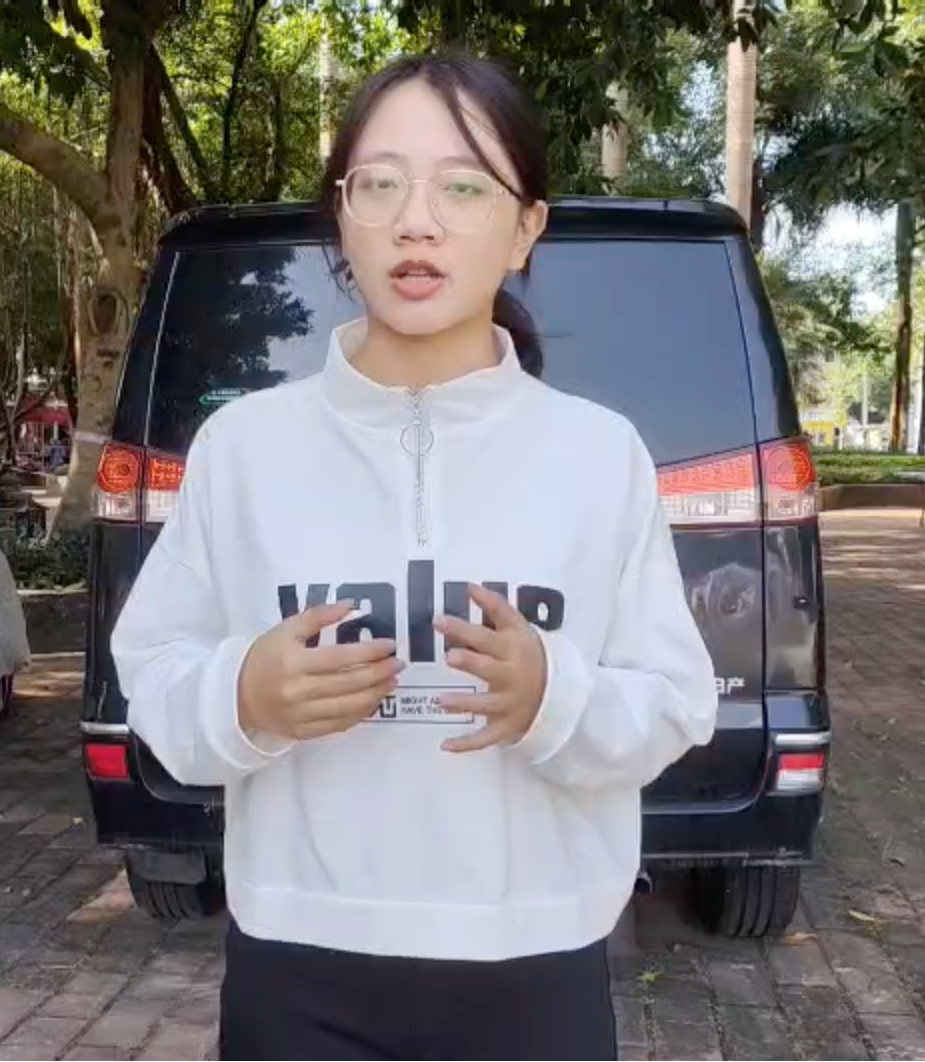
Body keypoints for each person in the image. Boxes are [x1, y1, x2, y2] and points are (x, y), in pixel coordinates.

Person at [109, 51, 718, 1061]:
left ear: (525, 226)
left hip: (537, 963)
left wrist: (553, 696)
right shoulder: (244, 449)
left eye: (463, 187)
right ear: (342, 217)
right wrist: (245, 696)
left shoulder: (598, 454)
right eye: (381, 184)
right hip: (297, 966)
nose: (416, 221)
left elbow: (676, 702)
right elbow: (155, 678)